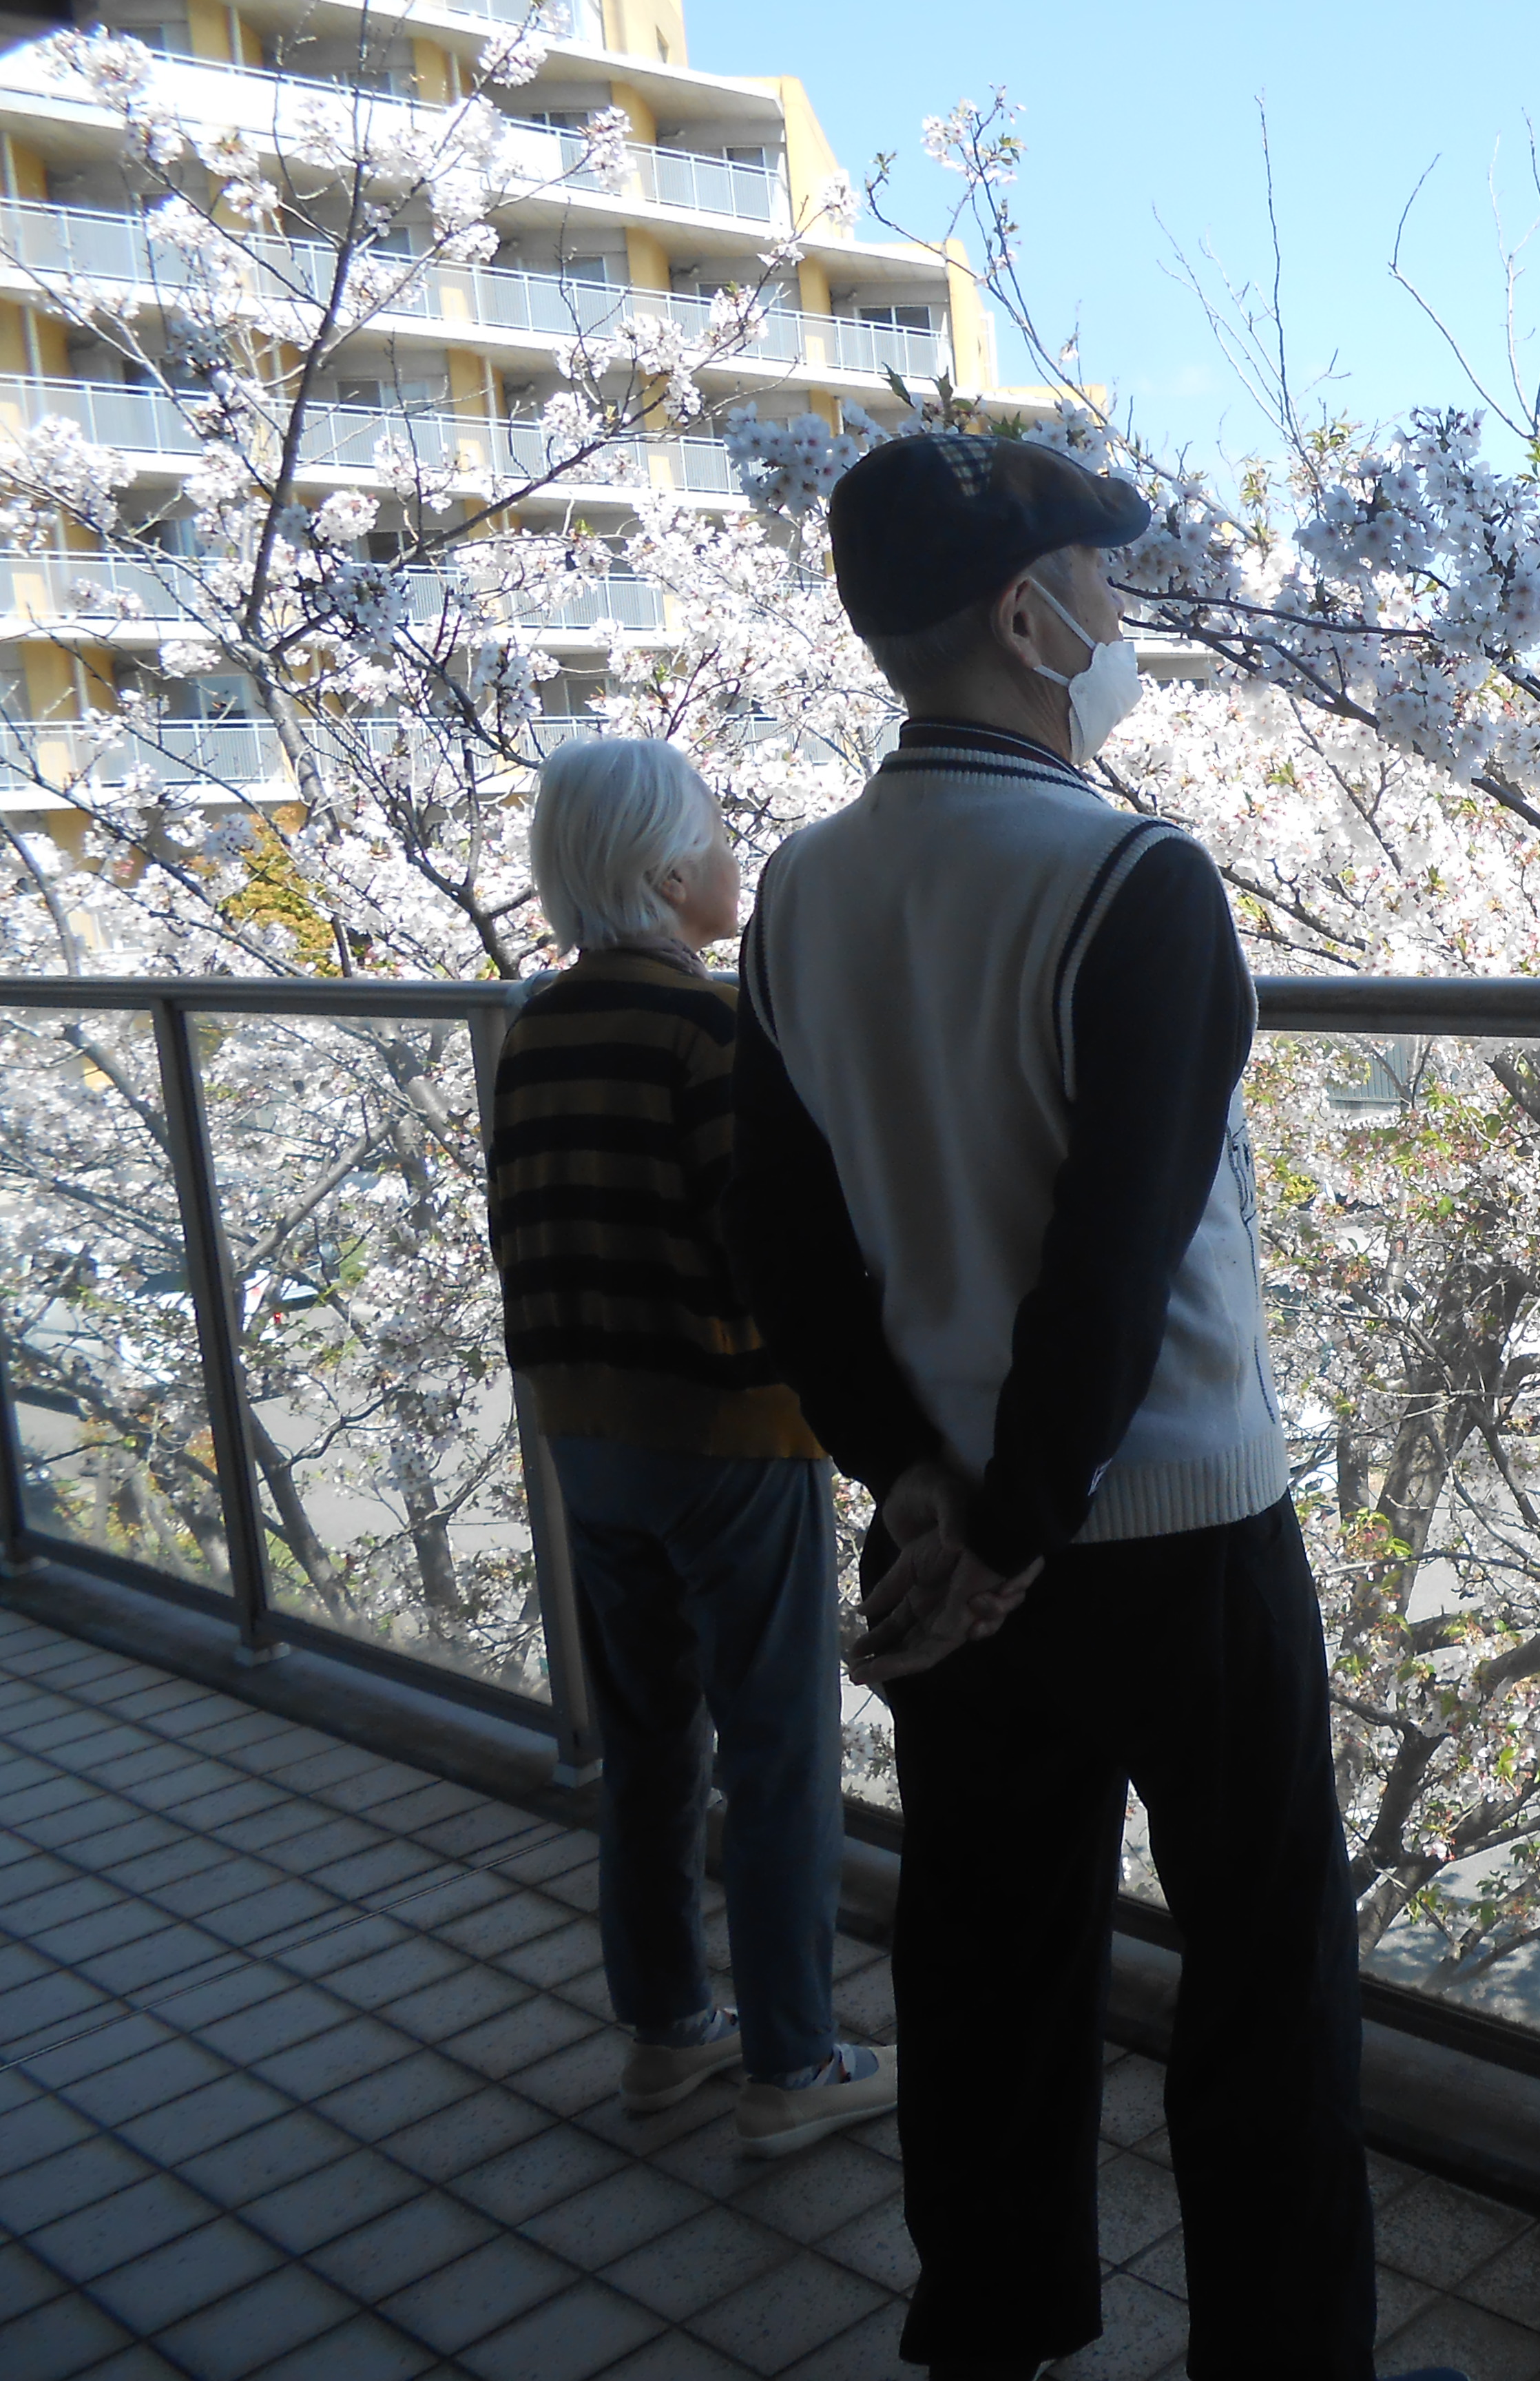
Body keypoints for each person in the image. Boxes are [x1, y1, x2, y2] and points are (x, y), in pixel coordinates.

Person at [718, 435, 1463, 2381]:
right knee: (1265, 1966)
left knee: (986, 1951)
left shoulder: (796, 895)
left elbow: (784, 1240)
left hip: (946, 1532)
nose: (1119, 620)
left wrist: (924, 1490)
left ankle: (995, 2332)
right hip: (1176, 1525)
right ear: (1027, 615)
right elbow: (1118, 1261)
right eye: (1099, 586)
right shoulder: (1138, 880)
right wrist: (1020, 1519)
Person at [486, 736, 899, 2158]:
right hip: (727, 1431)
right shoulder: (710, 1031)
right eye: (716, 838)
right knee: (778, 1753)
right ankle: (794, 2060)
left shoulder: (535, 1028)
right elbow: (765, 1247)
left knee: (652, 1740)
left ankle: (667, 2030)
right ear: (669, 875)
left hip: (584, 1432)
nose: (734, 859)